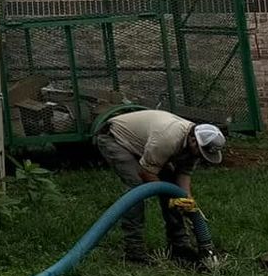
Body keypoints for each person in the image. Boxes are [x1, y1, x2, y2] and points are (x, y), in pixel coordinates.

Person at [93, 108, 226, 264]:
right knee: (136, 190)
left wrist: (187, 202)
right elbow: (146, 172)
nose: (200, 157)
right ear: (193, 140)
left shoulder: (195, 146)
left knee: (174, 194)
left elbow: (183, 176)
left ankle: (179, 247)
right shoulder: (168, 138)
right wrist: (170, 197)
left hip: (146, 146)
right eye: (201, 153)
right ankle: (134, 251)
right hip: (116, 139)